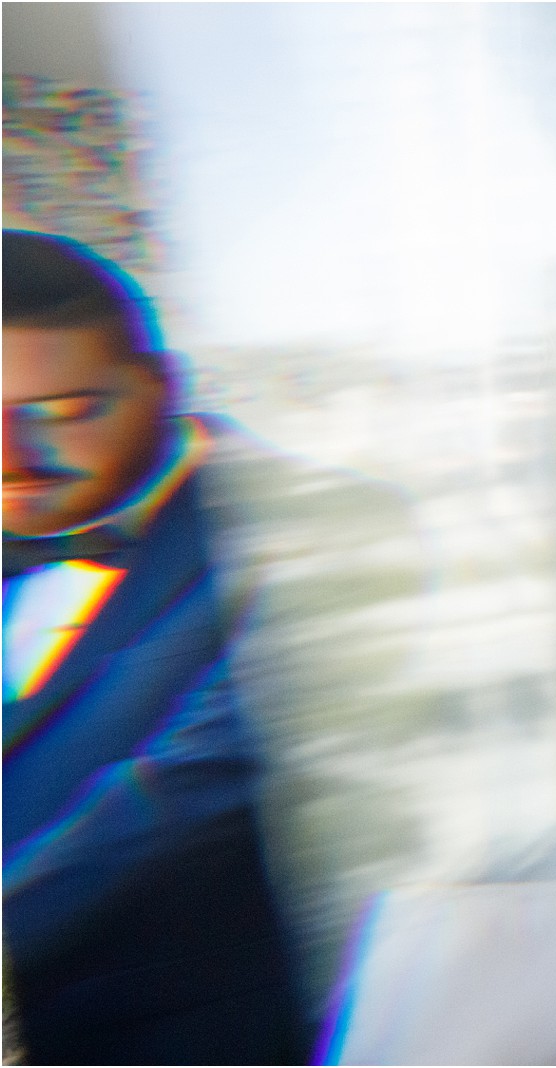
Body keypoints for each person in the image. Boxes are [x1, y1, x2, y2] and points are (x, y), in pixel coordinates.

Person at [3, 230, 429, 1062]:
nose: (12, 460)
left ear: (161, 385)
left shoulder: (327, 527)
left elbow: (184, 790)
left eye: (63, 414)